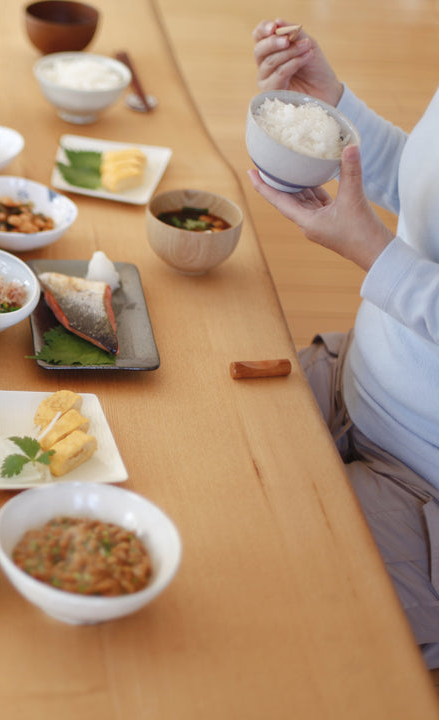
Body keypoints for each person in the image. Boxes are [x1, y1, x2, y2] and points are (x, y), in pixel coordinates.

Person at [250, 20, 439, 668]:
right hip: (354, 378)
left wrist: (372, 252)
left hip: (426, 479)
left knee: (283, 626)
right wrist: (337, 108)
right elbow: (428, 187)